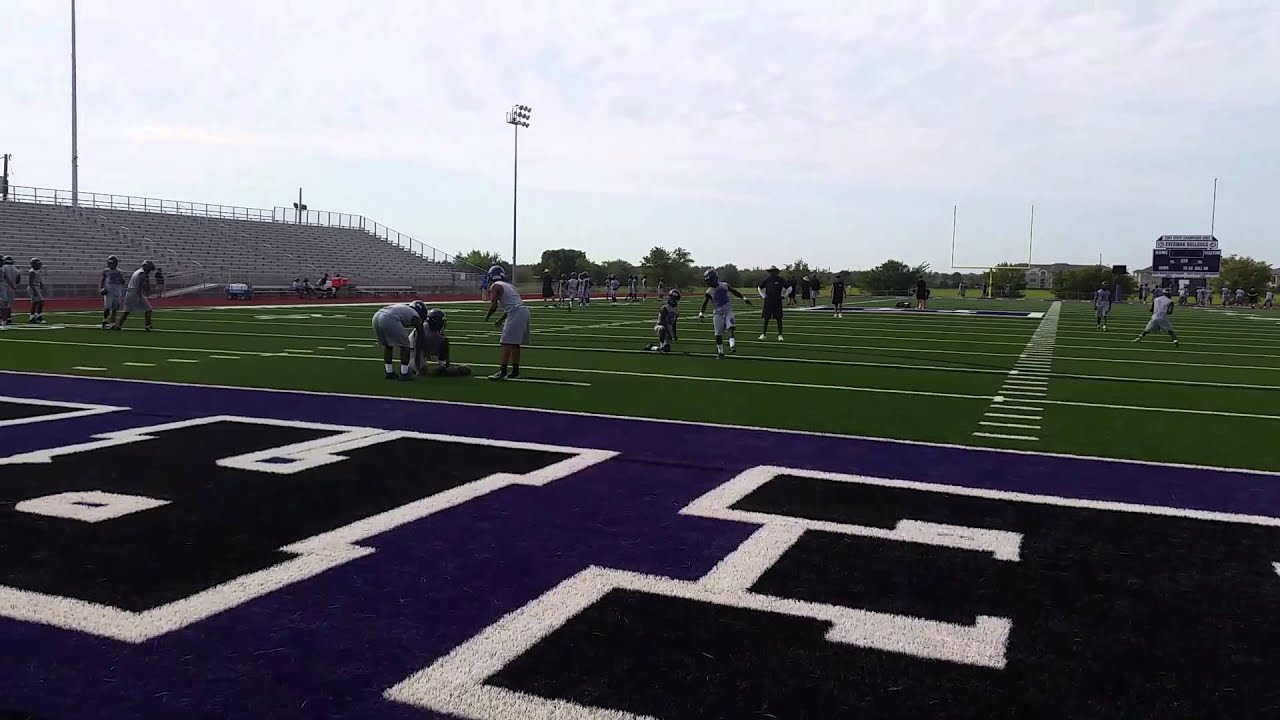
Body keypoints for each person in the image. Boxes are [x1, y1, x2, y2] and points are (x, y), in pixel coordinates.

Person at [484, 265, 532, 380]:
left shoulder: (495, 286)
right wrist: (500, 320)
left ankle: (503, 371)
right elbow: (512, 305)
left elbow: (494, 305)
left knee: (506, 343)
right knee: (515, 344)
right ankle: (515, 371)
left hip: (516, 312)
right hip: (523, 311)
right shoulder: (509, 285)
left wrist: (487, 316)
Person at [698, 269, 751, 359]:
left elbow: (734, 291)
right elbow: (705, 303)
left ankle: (732, 345)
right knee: (718, 334)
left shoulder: (724, 285)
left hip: (727, 311)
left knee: (731, 327)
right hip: (717, 313)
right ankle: (721, 352)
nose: (708, 282)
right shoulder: (709, 292)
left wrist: (744, 298)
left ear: (715, 279)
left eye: (710, 280)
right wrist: (701, 313)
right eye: (707, 281)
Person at [372, 300, 429, 380]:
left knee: (388, 345)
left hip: (377, 316)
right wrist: (422, 349)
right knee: (405, 346)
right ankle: (404, 373)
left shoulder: (404, 308)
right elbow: (421, 334)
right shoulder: (415, 316)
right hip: (389, 318)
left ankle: (389, 372)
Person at [409, 308, 471, 376]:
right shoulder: (422, 330)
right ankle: (411, 367)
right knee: (423, 371)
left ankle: (443, 365)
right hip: (412, 351)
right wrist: (418, 369)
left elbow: (444, 344)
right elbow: (416, 350)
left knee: (444, 341)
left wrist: (446, 364)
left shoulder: (438, 331)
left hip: (426, 347)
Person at [112, 260, 156, 331]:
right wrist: (139, 295)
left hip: (130, 292)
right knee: (148, 309)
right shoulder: (142, 274)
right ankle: (148, 325)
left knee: (127, 311)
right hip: (135, 292)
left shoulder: (138, 271)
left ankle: (118, 325)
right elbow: (140, 286)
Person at [757, 265, 786, 340]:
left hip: (777, 301)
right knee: (766, 318)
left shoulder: (780, 280)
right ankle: (763, 334)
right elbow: (759, 287)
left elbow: (789, 288)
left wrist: (784, 295)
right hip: (768, 301)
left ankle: (780, 335)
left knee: (778, 318)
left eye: (773, 271)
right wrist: (763, 295)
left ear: (776, 272)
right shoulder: (767, 280)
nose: (772, 273)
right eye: (771, 271)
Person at [100, 255, 126, 329]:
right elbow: (102, 280)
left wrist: (120, 276)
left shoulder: (120, 271)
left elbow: (123, 282)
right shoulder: (106, 271)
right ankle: (104, 321)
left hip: (117, 291)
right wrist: (101, 288)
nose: (111, 264)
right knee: (107, 307)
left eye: (112, 263)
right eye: (110, 263)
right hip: (109, 291)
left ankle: (112, 323)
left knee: (115, 308)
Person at [0, 255, 18, 328]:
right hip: (2, 286)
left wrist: (12, 286)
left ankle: (3, 323)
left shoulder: (3, 268)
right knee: (4, 303)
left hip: (2, 286)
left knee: (5, 303)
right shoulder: (3, 268)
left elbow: (6, 278)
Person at [26, 258, 46, 323]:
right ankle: (37, 316)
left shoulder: (37, 271)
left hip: (36, 287)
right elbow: (30, 282)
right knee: (40, 302)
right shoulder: (32, 272)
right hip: (33, 287)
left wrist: (42, 286)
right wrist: (34, 291)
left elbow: (39, 280)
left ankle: (33, 317)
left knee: (35, 303)